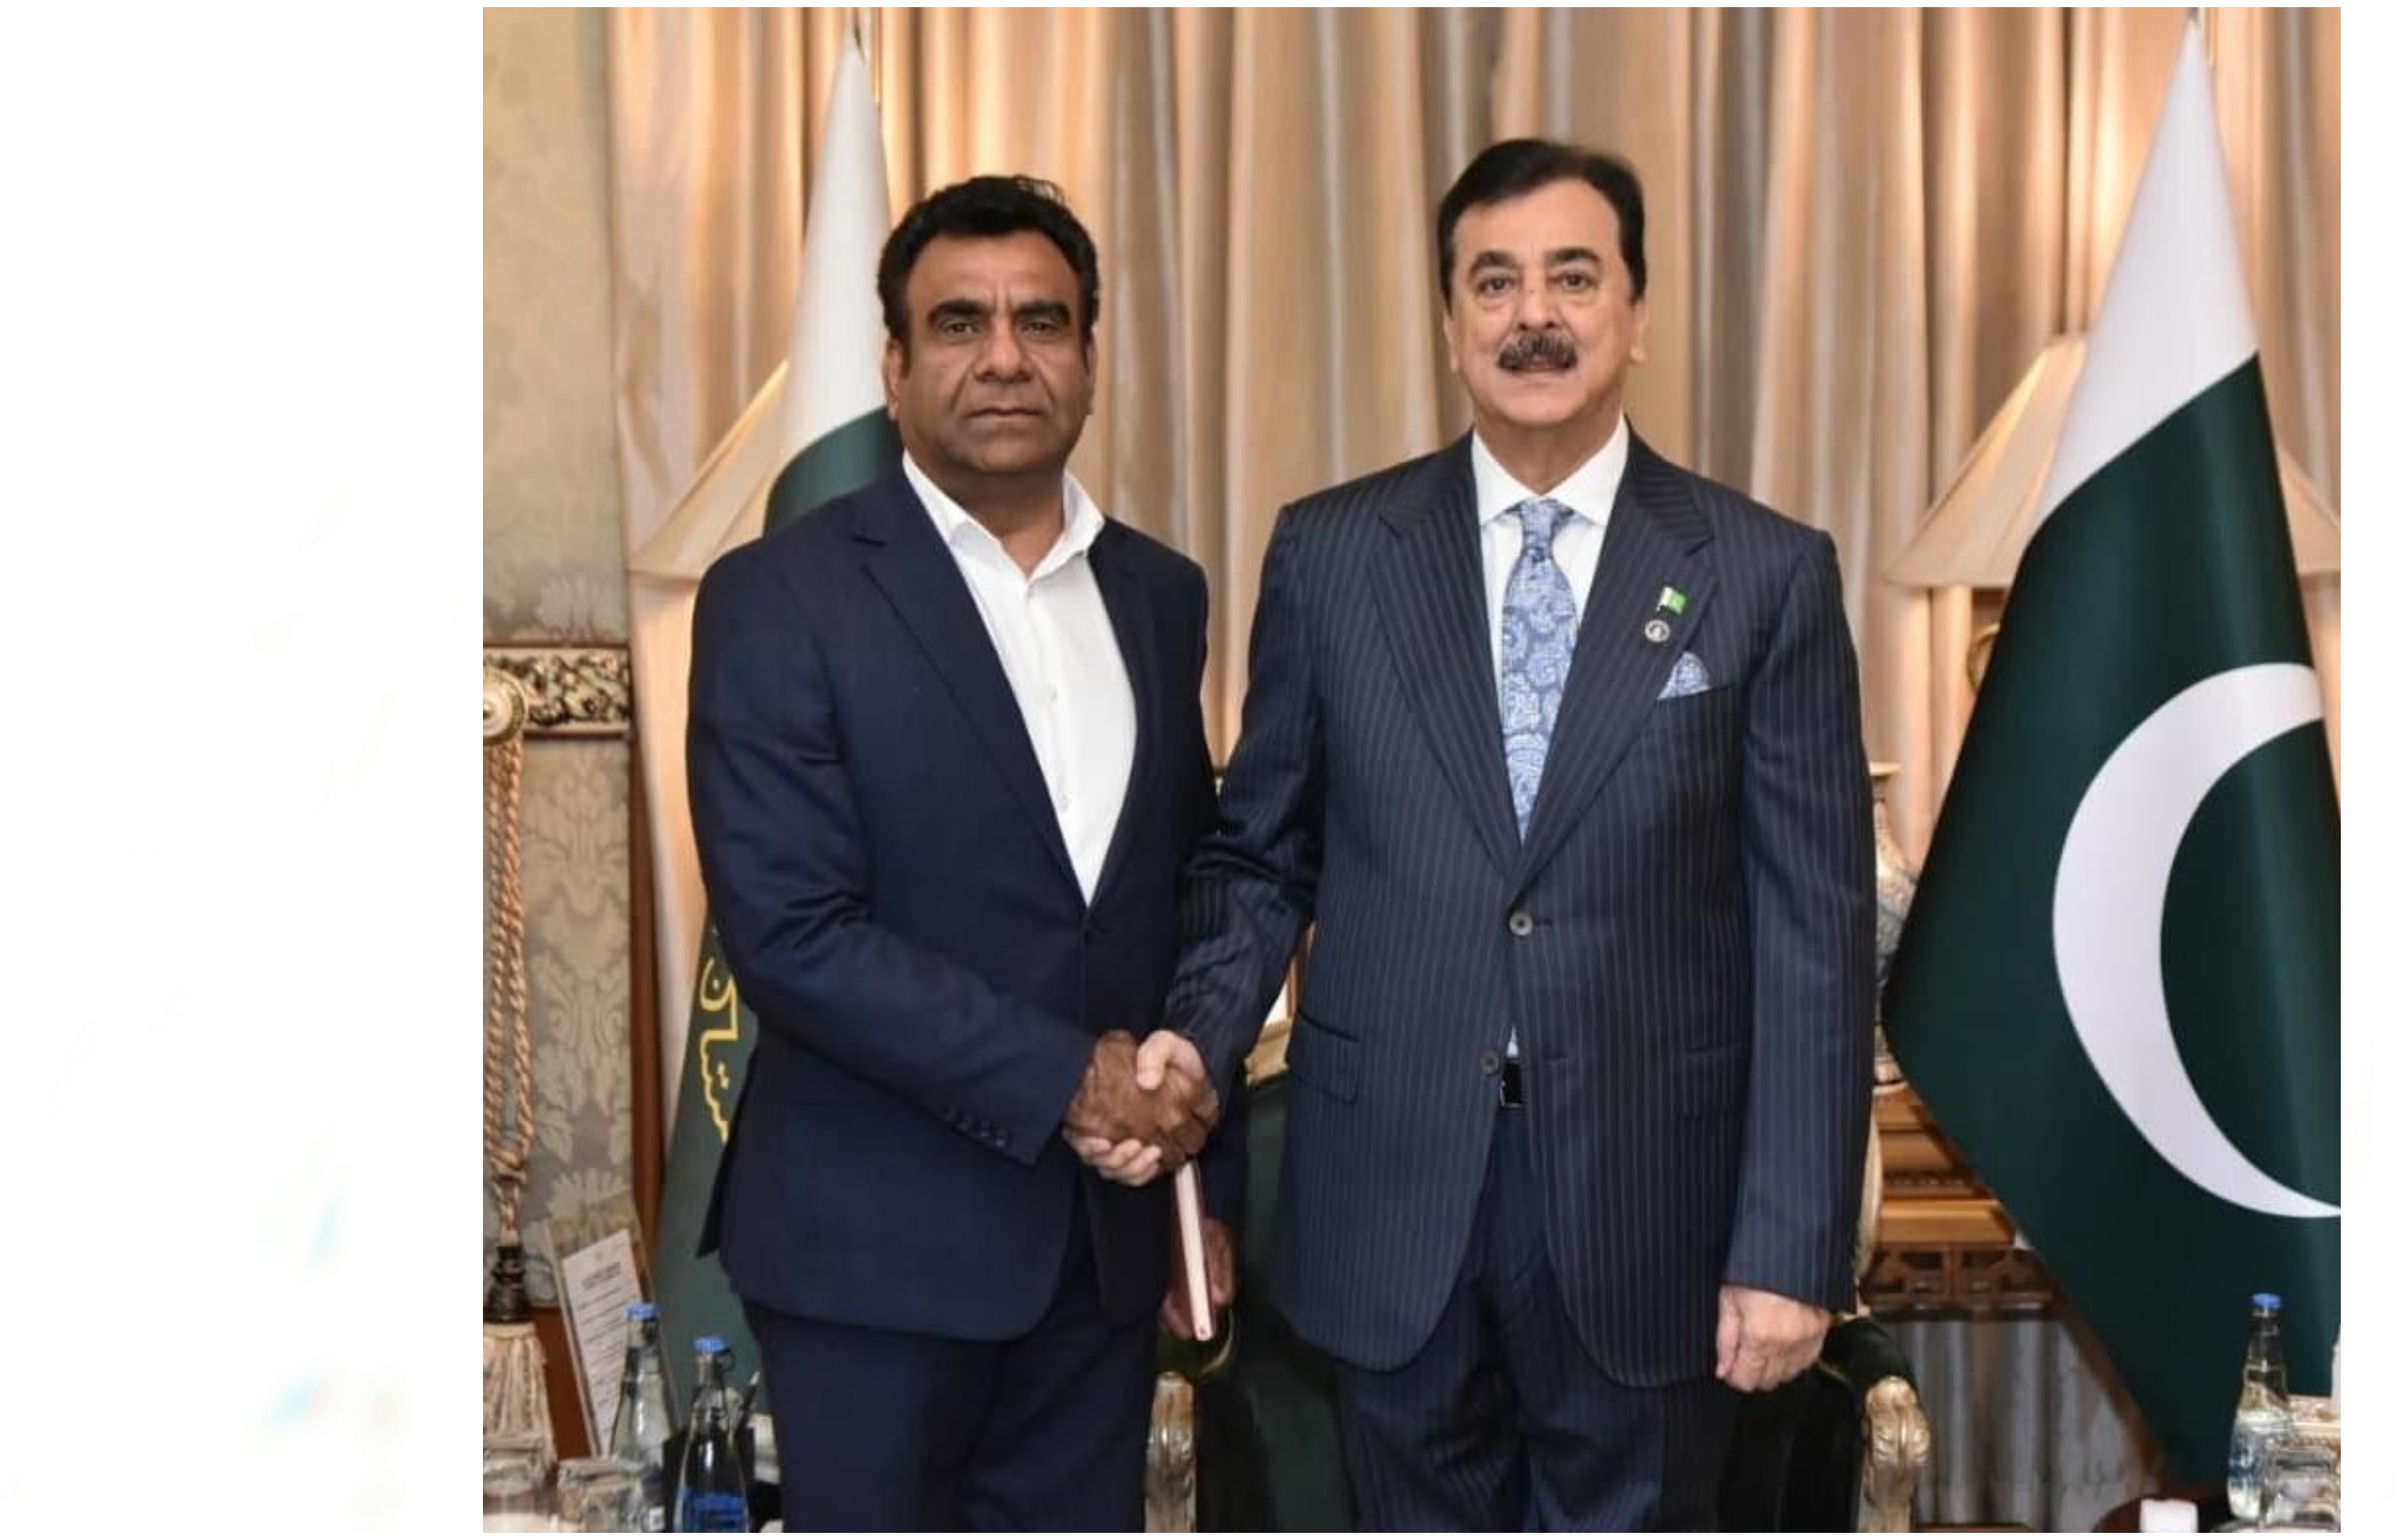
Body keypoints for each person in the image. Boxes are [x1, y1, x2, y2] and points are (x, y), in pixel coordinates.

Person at [1138, 137, 1876, 1529]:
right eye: (1494, 282)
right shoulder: (1333, 556)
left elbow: (1814, 940)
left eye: (1573, 278)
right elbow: (1262, 853)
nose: (1533, 314)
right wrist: (1195, 1036)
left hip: (1654, 1215)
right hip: (1392, 1200)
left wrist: (1791, 1244)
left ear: (1637, 316)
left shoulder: (1764, 573)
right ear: (1450, 325)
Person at [686, 173, 1235, 1532]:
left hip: (1103, 1261)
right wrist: (1070, 1080)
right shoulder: (780, 595)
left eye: (1041, 321)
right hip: (873, 1264)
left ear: (1090, 360)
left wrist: (1189, 1185)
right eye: (957, 323)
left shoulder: (1161, 595)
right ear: (892, 364)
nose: (1003, 357)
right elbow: (793, 935)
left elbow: (1173, 903)